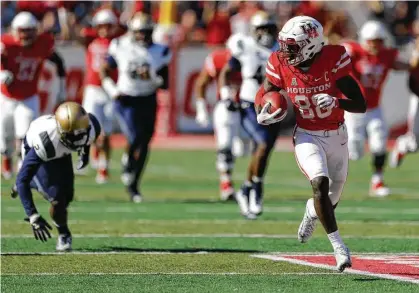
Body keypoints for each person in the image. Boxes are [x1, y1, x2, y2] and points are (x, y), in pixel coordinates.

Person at [256, 16, 366, 272]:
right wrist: (260, 109)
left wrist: (336, 102)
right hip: (307, 134)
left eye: (292, 46)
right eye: (285, 45)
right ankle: (339, 247)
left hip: (337, 135)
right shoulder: (280, 62)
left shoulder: (333, 58)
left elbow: (360, 104)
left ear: (311, 44)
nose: (285, 51)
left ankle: (312, 211)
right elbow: (264, 92)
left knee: (330, 198)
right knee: (320, 182)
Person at [11, 102, 101, 251]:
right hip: (43, 155)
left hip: (61, 151)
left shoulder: (92, 127)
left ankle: (38, 185)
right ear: (61, 130)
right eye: (72, 135)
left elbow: (85, 140)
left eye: (80, 134)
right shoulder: (46, 142)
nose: (76, 139)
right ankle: (64, 234)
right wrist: (33, 215)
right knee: (57, 199)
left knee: (68, 197)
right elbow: (22, 180)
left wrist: (84, 153)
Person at [101, 13, 171, 202]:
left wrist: (152, 78)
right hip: (125, 99)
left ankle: (134, 183)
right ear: (132, 32)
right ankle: (128, 163)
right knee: (135, 137)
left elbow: (165, 84)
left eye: (147, 32)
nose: (143, 36)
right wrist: (112, 90)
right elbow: (104, 70)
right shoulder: (120, 45)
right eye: (140, 32)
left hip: (148, 98)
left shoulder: (160, 50)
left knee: (145, 142)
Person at [219, 11, 281, 219]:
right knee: (262, 146)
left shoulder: (282, 50)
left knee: (263, 151)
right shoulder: (245, 46)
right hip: (249, 105)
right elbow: (226, 73)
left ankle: (247, 188)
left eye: (269, 29)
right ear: (254, 31)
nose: (266, 34)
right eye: (261, 29)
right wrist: (227, 95)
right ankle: (257, 189)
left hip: (274, 106)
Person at [342, 20, 414, 197]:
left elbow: (404, 65)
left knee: (380, 142)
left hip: (374, 108)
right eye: (372, 41)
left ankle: (377, 181)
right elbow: (336, 55)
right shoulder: (353, 52)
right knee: (355, 150)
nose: (375, 45)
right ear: (364, 40)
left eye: (378, 41)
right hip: (354, 108)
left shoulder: (386, 55)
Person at [1, 12, 66, 180]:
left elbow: (59, 64)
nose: (26, 35)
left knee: (25, 135)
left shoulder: (42, 43)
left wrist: (62, 89)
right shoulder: (6, 44)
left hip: (29, 96)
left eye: (29, 30)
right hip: (6, 96)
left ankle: (23, 170)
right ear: (15, 30)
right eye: (22, 31)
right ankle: (6, 161)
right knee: (4, 137)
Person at [195, 47, 250, 201]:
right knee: (225, 146)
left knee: (244, 150)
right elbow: (202, 82)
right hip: (226, 107)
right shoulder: (218, 59)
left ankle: (248, 183)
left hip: (249, 108)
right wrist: (201, 108)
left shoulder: (256, 57)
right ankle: (226, 184)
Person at [82, 9, 119, 184]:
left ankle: (103, 166)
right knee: (89, 129)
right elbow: (74, 33)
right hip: (93, 89)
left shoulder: (119, 43)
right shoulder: (91, 40)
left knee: (106, 133)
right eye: (101, 25)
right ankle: (94, 156)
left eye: (108, 25)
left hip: (110, 90)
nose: (104, 29)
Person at [391, 37, 419, 167]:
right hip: (417, 95)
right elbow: (412, 67)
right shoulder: (414, 52)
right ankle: (402, 146)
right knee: (414, 142)